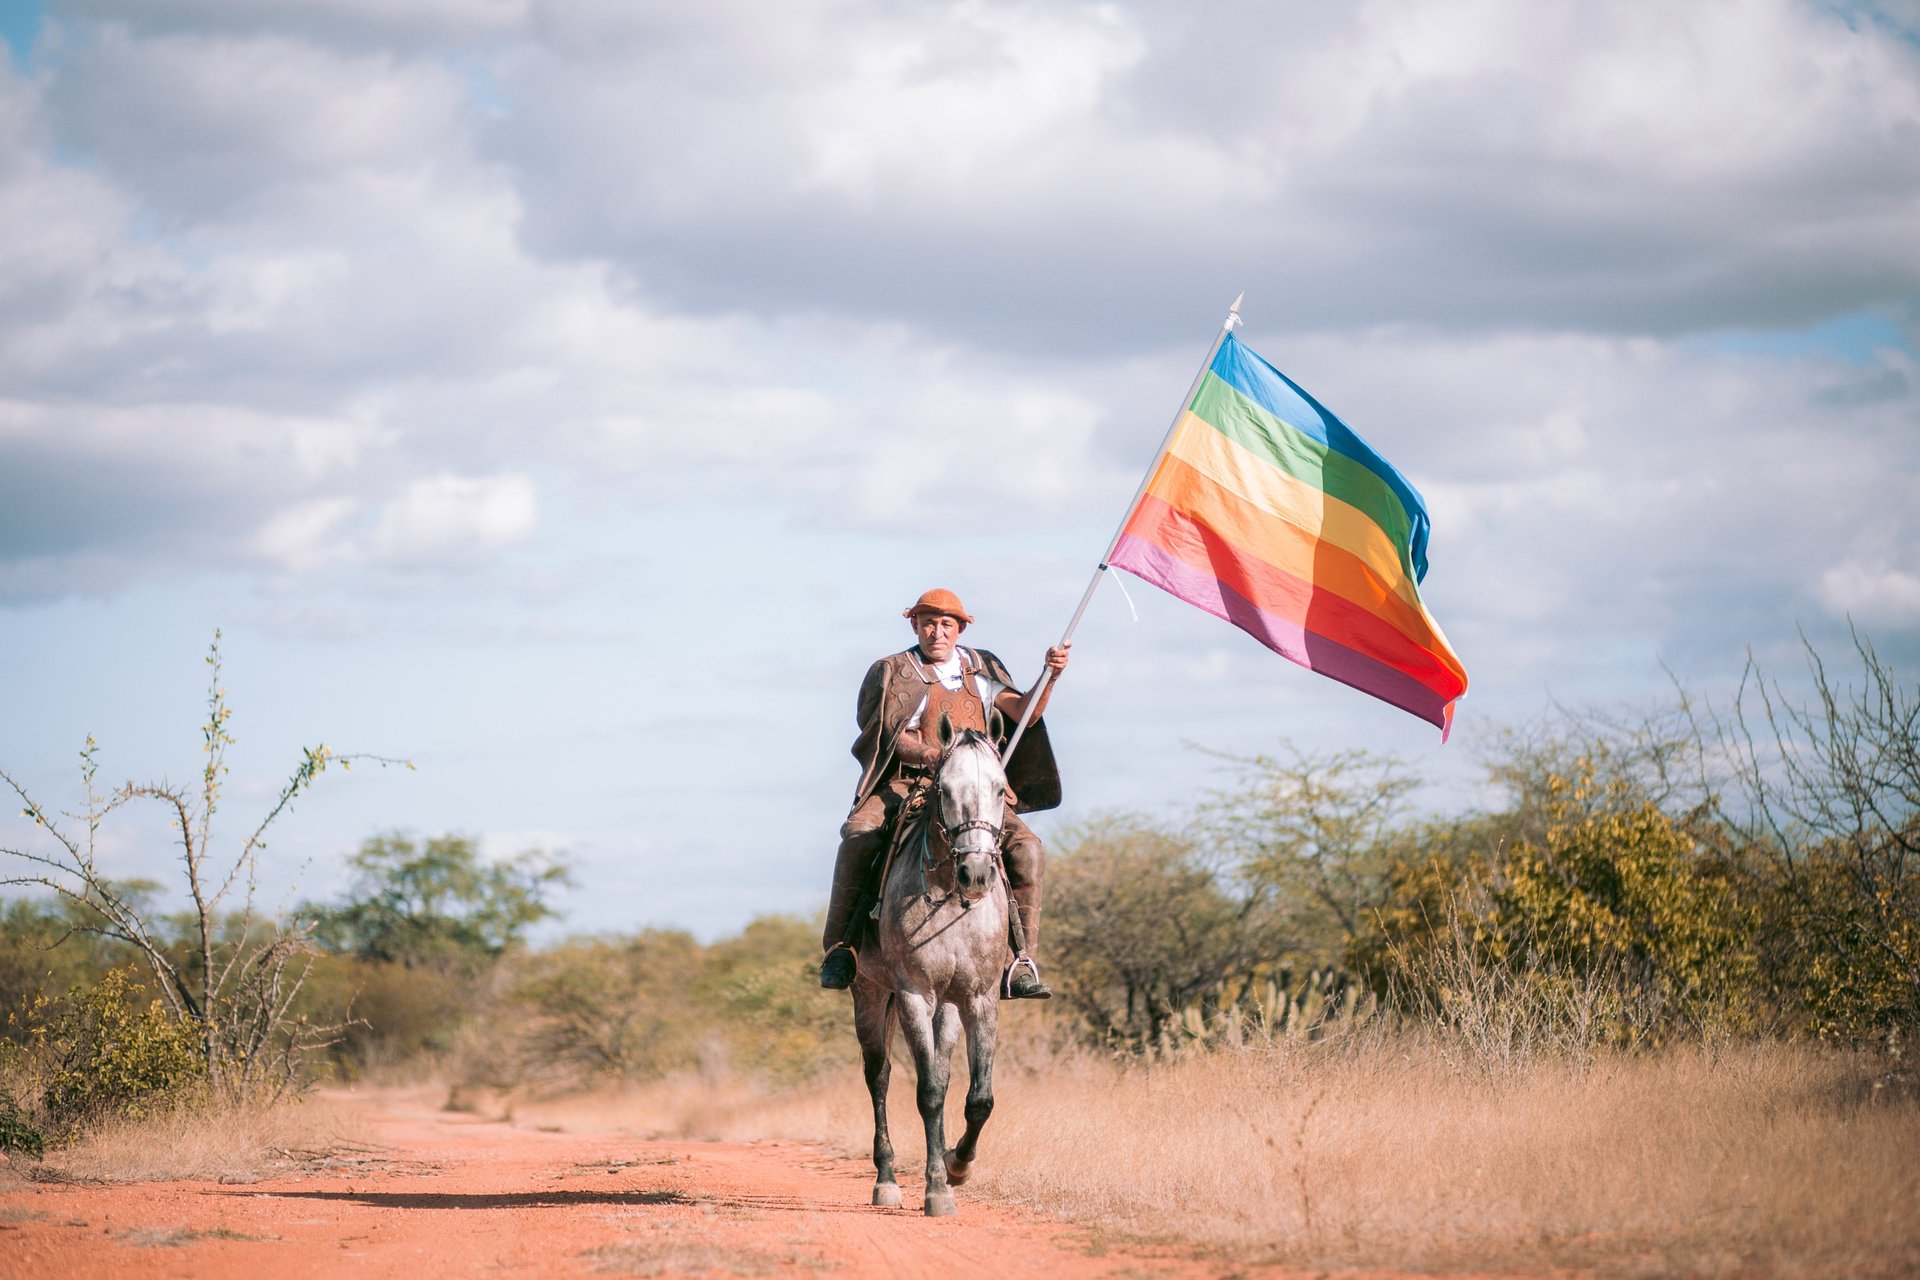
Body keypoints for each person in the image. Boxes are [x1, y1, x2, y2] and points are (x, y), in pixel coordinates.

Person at [819, 588, 1069, 999]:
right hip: (906, 782)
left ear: (960, 629)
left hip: (971, 789)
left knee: (1027, 848)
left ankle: (1020, 961)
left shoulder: (980, 670)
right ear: (914, 625)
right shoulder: (893, 672)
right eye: (929, 623)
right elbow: (886, 737)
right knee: (859, 834)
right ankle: (841, 947)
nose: (937, 632)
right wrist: (934, 754)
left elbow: (1025, 712)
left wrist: (1050, 676)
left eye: (946, 624)